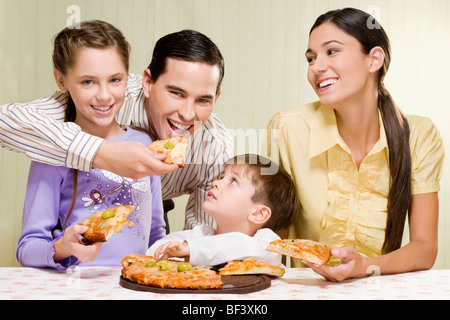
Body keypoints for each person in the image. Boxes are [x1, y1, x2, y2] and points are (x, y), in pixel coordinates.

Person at [263, 8, 444, 281]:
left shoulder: (418, 135)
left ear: (374, 59)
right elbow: (272, 240)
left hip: (382, 290)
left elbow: (425, 248)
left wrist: (365, 267)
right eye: (311, 58)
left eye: (331, 51)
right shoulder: (288, 127)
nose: (316, 67)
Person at [0, 28, 234, 230]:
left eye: (203, 100)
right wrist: (101, 152)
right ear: (148, 82)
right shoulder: (109, 97)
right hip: (75, 213)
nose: (187, 113)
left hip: (147, 218)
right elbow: (4, 122)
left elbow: (205, 237)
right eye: (176, 93)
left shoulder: (215, 146)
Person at [17, 20, 165, 270]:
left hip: (135, 286)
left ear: (128, 77)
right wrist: (64, 247)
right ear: (61, 80)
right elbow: (27, 248)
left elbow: (155, 233)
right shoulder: (53, 152)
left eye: (115, 80)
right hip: (78, 287)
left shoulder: (145, 143)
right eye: (88, 82)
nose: (104, 95)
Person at [146, 154, 299, 267]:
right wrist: (172, 251)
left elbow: (239, 244)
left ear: (258, 214)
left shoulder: (267, 244)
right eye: (221, 176)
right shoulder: (199, 235)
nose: (216, 183)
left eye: (233, 181)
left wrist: (191, 250)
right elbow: (153, 252)